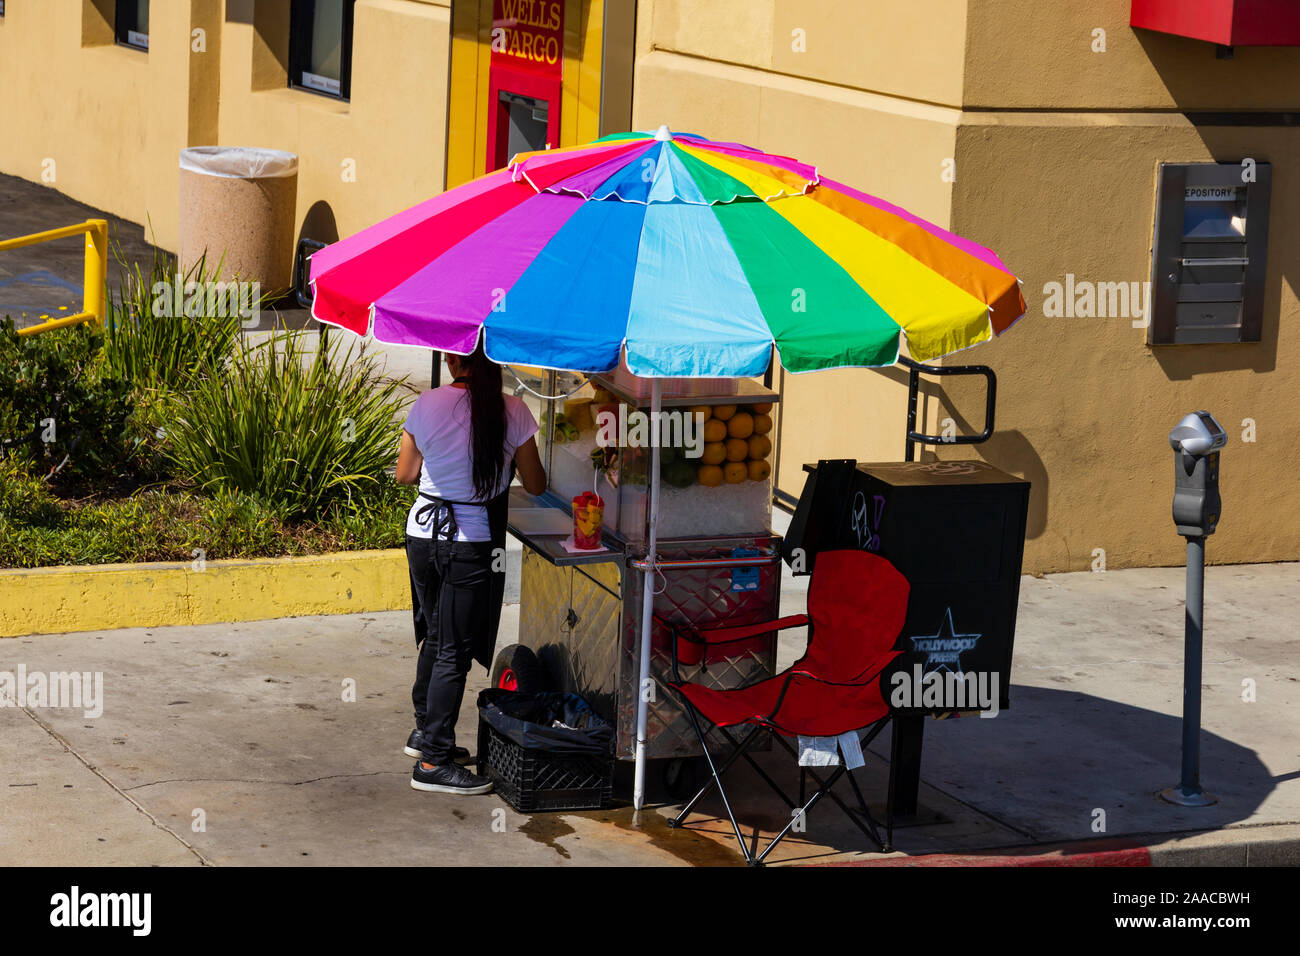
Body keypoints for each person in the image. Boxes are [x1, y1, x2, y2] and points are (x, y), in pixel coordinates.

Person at [395, 343, 546, 795]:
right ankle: (433, 762)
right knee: (453, 651)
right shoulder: (513, 411)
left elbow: (405, 475)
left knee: (436, 635)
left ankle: (426, 732)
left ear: (452, 361)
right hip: (470, 540)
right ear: (495, 360)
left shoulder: (426, 403)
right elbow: (536, 484)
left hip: (423, 533)